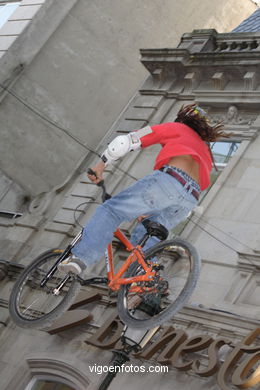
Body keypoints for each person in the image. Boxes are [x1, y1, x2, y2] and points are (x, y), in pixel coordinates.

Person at [58, 103, 228, 275]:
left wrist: (100, 165)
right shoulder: (205, 151)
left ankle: (81, 258)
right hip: (190, 199)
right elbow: (203, 183)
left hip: (170, 181)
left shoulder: (176, 128)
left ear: (182, 120)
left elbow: (125, 142)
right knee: (148, 233)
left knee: (110, 211)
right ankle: (145, 278)